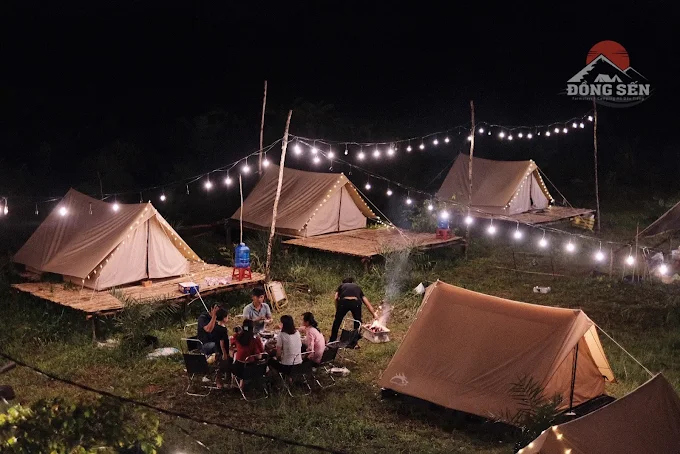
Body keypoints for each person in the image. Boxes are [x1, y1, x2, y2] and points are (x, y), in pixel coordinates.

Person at [329, 277, 377, 342]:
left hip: (344, 302)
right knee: (357, 321)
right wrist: (374, 314)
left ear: (343, 282)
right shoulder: (357, 287)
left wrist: (338, 308)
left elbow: (336, 297)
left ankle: (332, 340)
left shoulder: (342, 285)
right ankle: (355, 340)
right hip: (356, 302)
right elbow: (367, 303)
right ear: (352, 282)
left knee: (337, 321)